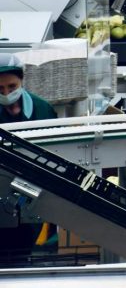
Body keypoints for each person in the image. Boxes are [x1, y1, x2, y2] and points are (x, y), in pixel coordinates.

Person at [0, 55, 57, 253]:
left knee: (23, 245)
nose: (6, 93)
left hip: (32, 189)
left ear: (22, 81)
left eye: (11, 87)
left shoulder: (41, 109)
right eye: (0, 89)